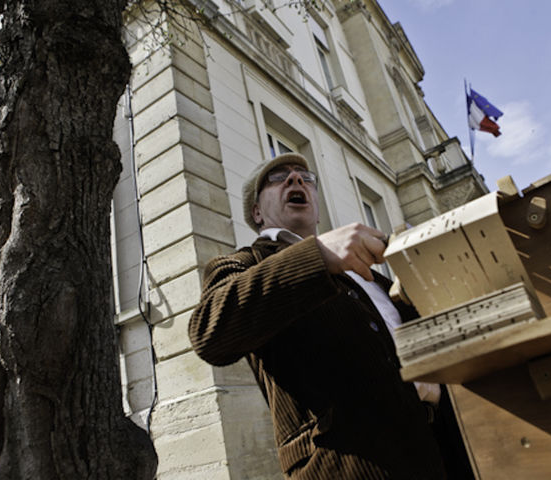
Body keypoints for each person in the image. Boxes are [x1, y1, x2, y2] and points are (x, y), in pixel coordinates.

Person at [189, 152, 447, 479]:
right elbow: (209, 333)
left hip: (438, 450)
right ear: (256, 211)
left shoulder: (369, 273)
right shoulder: (244, 264)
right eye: (278, 177)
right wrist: (318, 257)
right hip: (345, 466)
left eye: (305, 177)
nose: (297, 180)